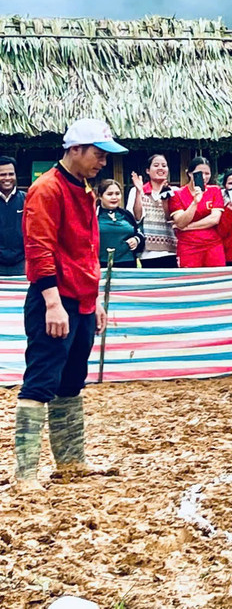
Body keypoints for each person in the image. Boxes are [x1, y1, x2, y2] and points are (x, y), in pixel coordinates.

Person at [14, 119, 125, 492]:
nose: (102, 163)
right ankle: (26, 473)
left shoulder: (84, 190)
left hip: (78, 299)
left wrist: (92, 302)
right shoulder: (47, 189)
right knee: (41, 380)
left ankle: (72, 463)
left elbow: (86, 251)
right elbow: (39, 249)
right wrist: (51, 302)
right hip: (55, 299)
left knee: (72, 382)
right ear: (75, 149)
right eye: (97, 154)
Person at [170, 156, 227, 268]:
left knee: (216, 279)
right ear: (190, 173)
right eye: (200, 173)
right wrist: (195, 202)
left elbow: (214, 219)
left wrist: (188, 227)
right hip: (188, 246)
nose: (204, 177)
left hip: (212, 244)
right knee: (190, 279)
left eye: (207, 174)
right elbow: (180, 222)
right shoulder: (178, 194)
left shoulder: (214, 191)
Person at [126, 154, 178, 269]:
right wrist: (139, 192)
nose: (161, 168)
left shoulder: (175, 191)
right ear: (148, 171)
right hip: (147, 253)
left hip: (172, 251)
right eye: (156, 165)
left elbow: (174, 219)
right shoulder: (135, 191)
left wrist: (166, 196)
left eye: (164, 165)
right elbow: (136, 217)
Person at [96, 179, 144, 269]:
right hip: (100, 265)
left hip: (127, 265)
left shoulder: (126, 215)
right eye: (109, 194)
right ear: (100, 196)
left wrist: (136, 240)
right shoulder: (94, 215)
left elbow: (140, 233)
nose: (114, 197)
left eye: (117, 194)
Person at [0, 155, 25, 277]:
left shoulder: (28, 200)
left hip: (22, 266)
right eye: (3, 175)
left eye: (11, 174)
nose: (7, 178)